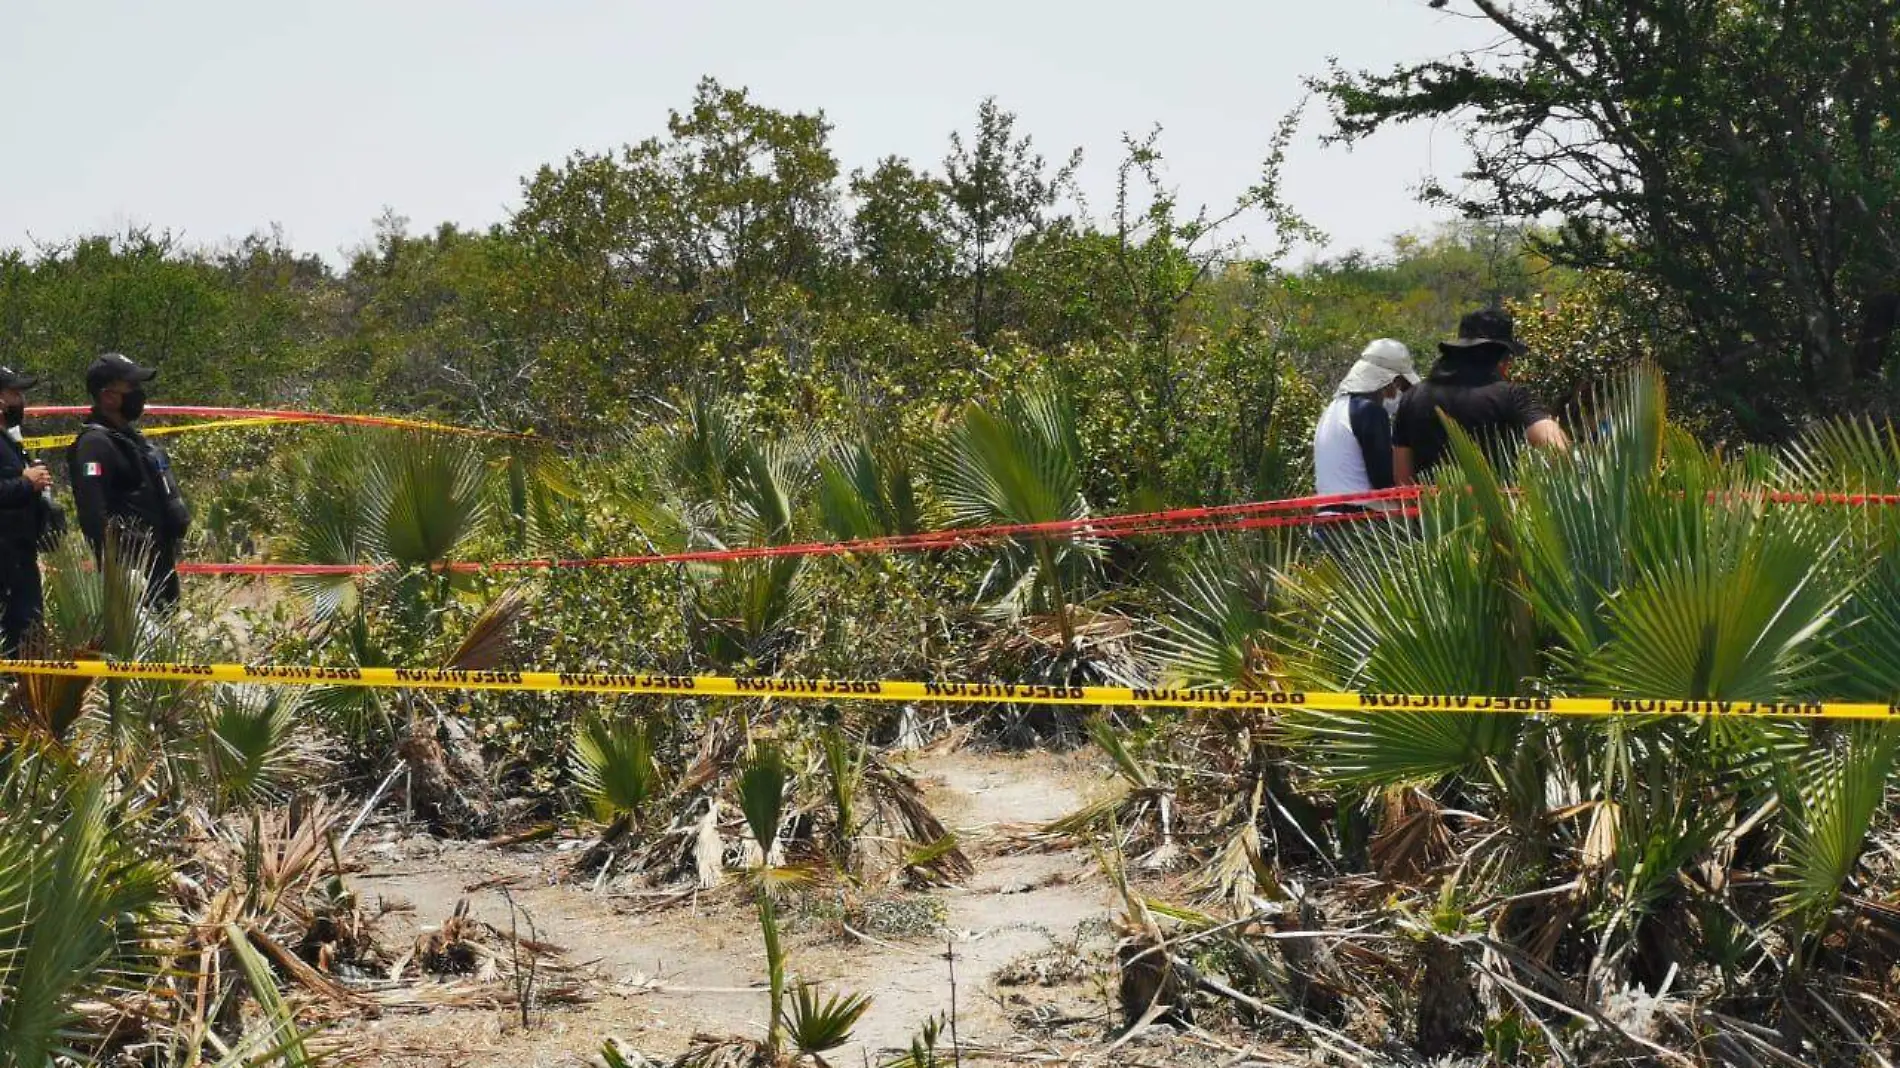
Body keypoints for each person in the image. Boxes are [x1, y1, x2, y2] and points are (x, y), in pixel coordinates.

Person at [68, 353, 191, 610]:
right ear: (108, 396)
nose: (139, 394)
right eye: (131, 387)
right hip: (131, 572)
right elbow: (93, 513)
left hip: (158, 563)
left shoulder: (129, 438)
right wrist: (118, 567)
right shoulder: (93, 445)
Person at [1393, 308, 1569, 485]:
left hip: (1429, 510)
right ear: (1500, 357)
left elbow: (1403, 480)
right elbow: (1558, 449)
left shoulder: (1412, 398)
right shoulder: (1510, 396)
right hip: (1497, 510)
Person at [1312, 339, 1419, 513]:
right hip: (1359, 519)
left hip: (1327, 517)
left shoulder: (1332, 409)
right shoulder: (1370, 412)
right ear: (1388, 381)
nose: (1400, 392)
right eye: (1400, 384)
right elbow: (1384, 481)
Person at [0, 366, 57, 654]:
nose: (21, 400)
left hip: (20, 557)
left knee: (29, 636)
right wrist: (24, 483)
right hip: (5, 564)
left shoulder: (9, 440)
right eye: (15, 393)